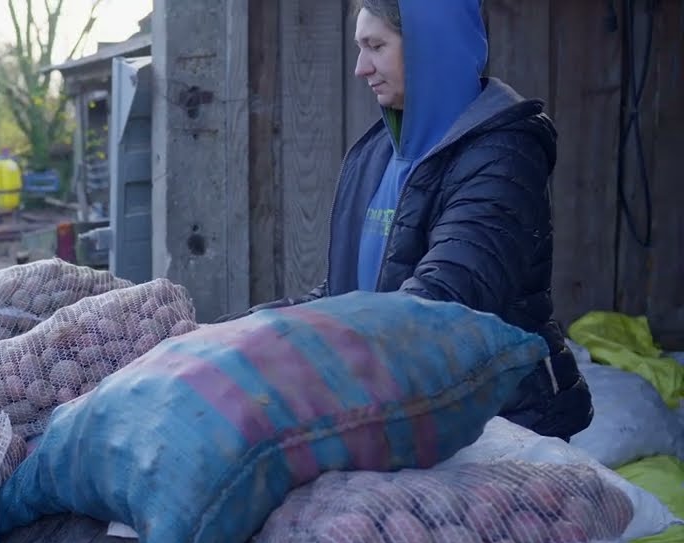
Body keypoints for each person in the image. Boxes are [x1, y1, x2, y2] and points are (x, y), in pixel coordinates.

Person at [226, 0, 592, 441]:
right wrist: (233, 334)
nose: (361, 68)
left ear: (430, 46)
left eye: (376, 46)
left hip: (501, 422)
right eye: (360, 48)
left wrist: (288, 349)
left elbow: (444, 302)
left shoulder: (502, 154)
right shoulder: (379, 153)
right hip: (408, 414)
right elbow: (344, 292)